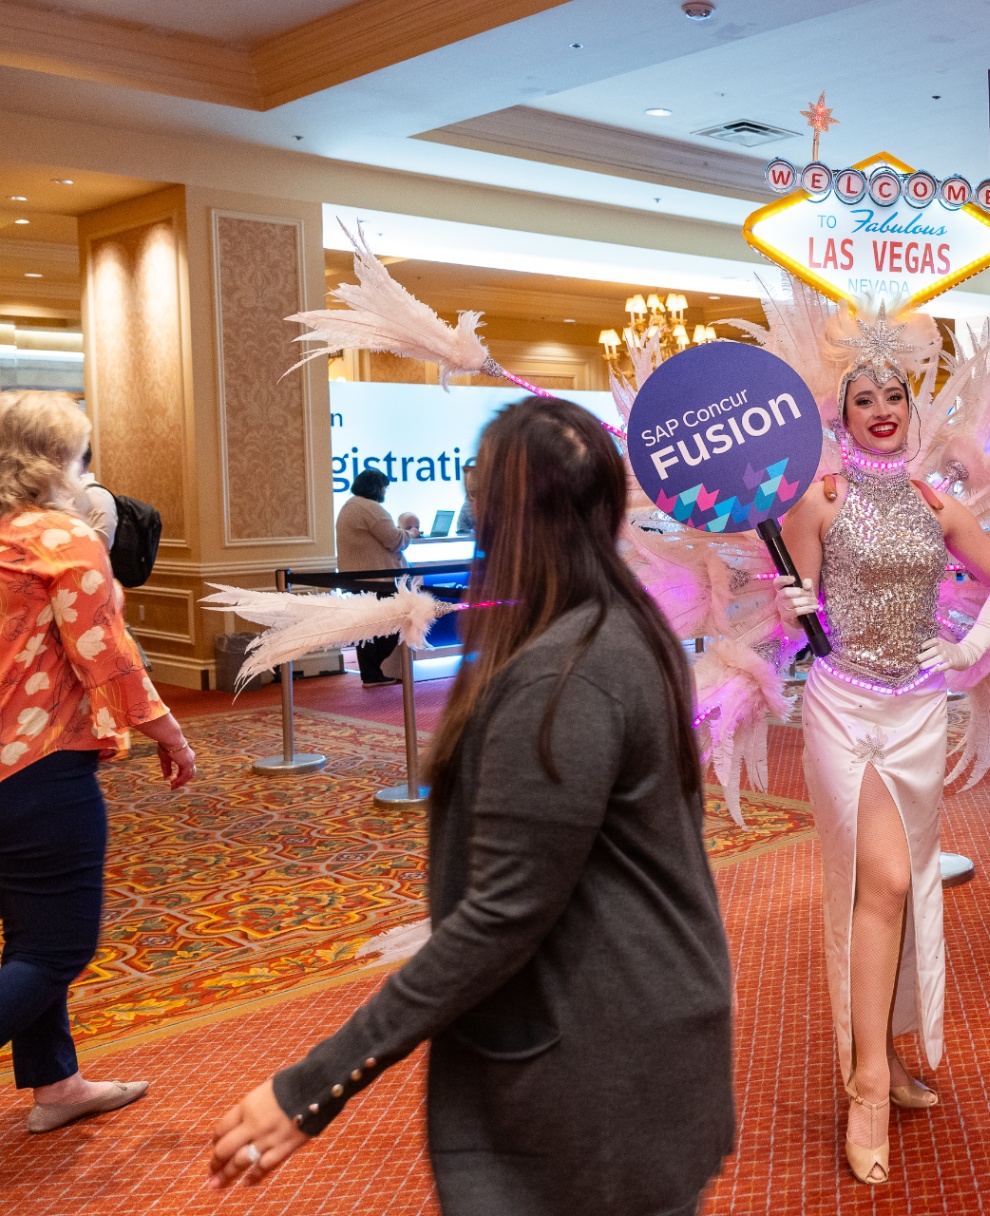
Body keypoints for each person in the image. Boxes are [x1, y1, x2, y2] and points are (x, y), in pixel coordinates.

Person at [206, 396, 735, 1215]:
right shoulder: (615, 626)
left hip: (598, 1060)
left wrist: (313, 1085)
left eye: (476, 485)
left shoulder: (567, 673)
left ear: (500, 510)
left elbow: (500, 917)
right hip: (638, 1023)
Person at [778, 357, 990, 1185]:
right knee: (879, 881)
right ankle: (869, 1086)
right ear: (841, 416)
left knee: (902, 886)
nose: (881, 409)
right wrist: (792, 607)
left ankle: (883, 1053)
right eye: (864, 399)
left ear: (910, 412)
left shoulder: (933, 502)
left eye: (894, 397)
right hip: (842, 707)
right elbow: (794, 609)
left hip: (918, 712)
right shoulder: (818, 500)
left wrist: (966, 647)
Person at [0, 390, 195, 1134]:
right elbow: (105, 655)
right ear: (58, 458)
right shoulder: (61, 538)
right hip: (38, 762)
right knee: (57, 946)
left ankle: (59, 1084)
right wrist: (170, 733)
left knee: (28, 934)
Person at [335, 468, 418, 686]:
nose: (385, 491)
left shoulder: (350, 506)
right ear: (376, 488)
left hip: (357, 578)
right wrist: (409, 534)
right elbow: (394, 540)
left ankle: (371, 674)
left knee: (368, 629)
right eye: (384, 487)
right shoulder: (371, 508)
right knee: (394, 623)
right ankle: (372, 672)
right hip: (378, 579)